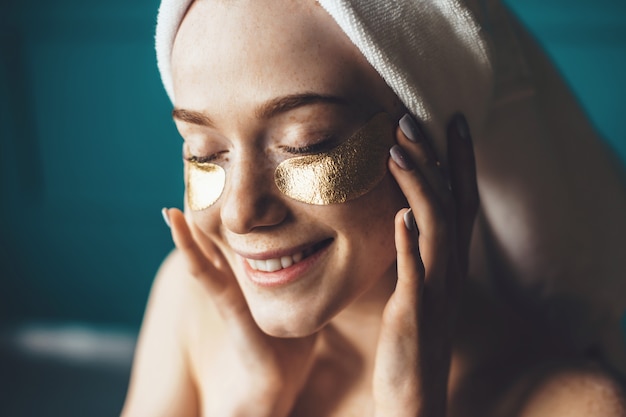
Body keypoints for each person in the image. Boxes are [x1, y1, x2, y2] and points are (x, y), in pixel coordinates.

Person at [122, 0, 626, 416]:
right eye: (203, 152)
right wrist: (254, 401)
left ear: (429, 150)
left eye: (307, 145)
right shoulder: (189, 304)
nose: (239, 214)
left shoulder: (574, 405)